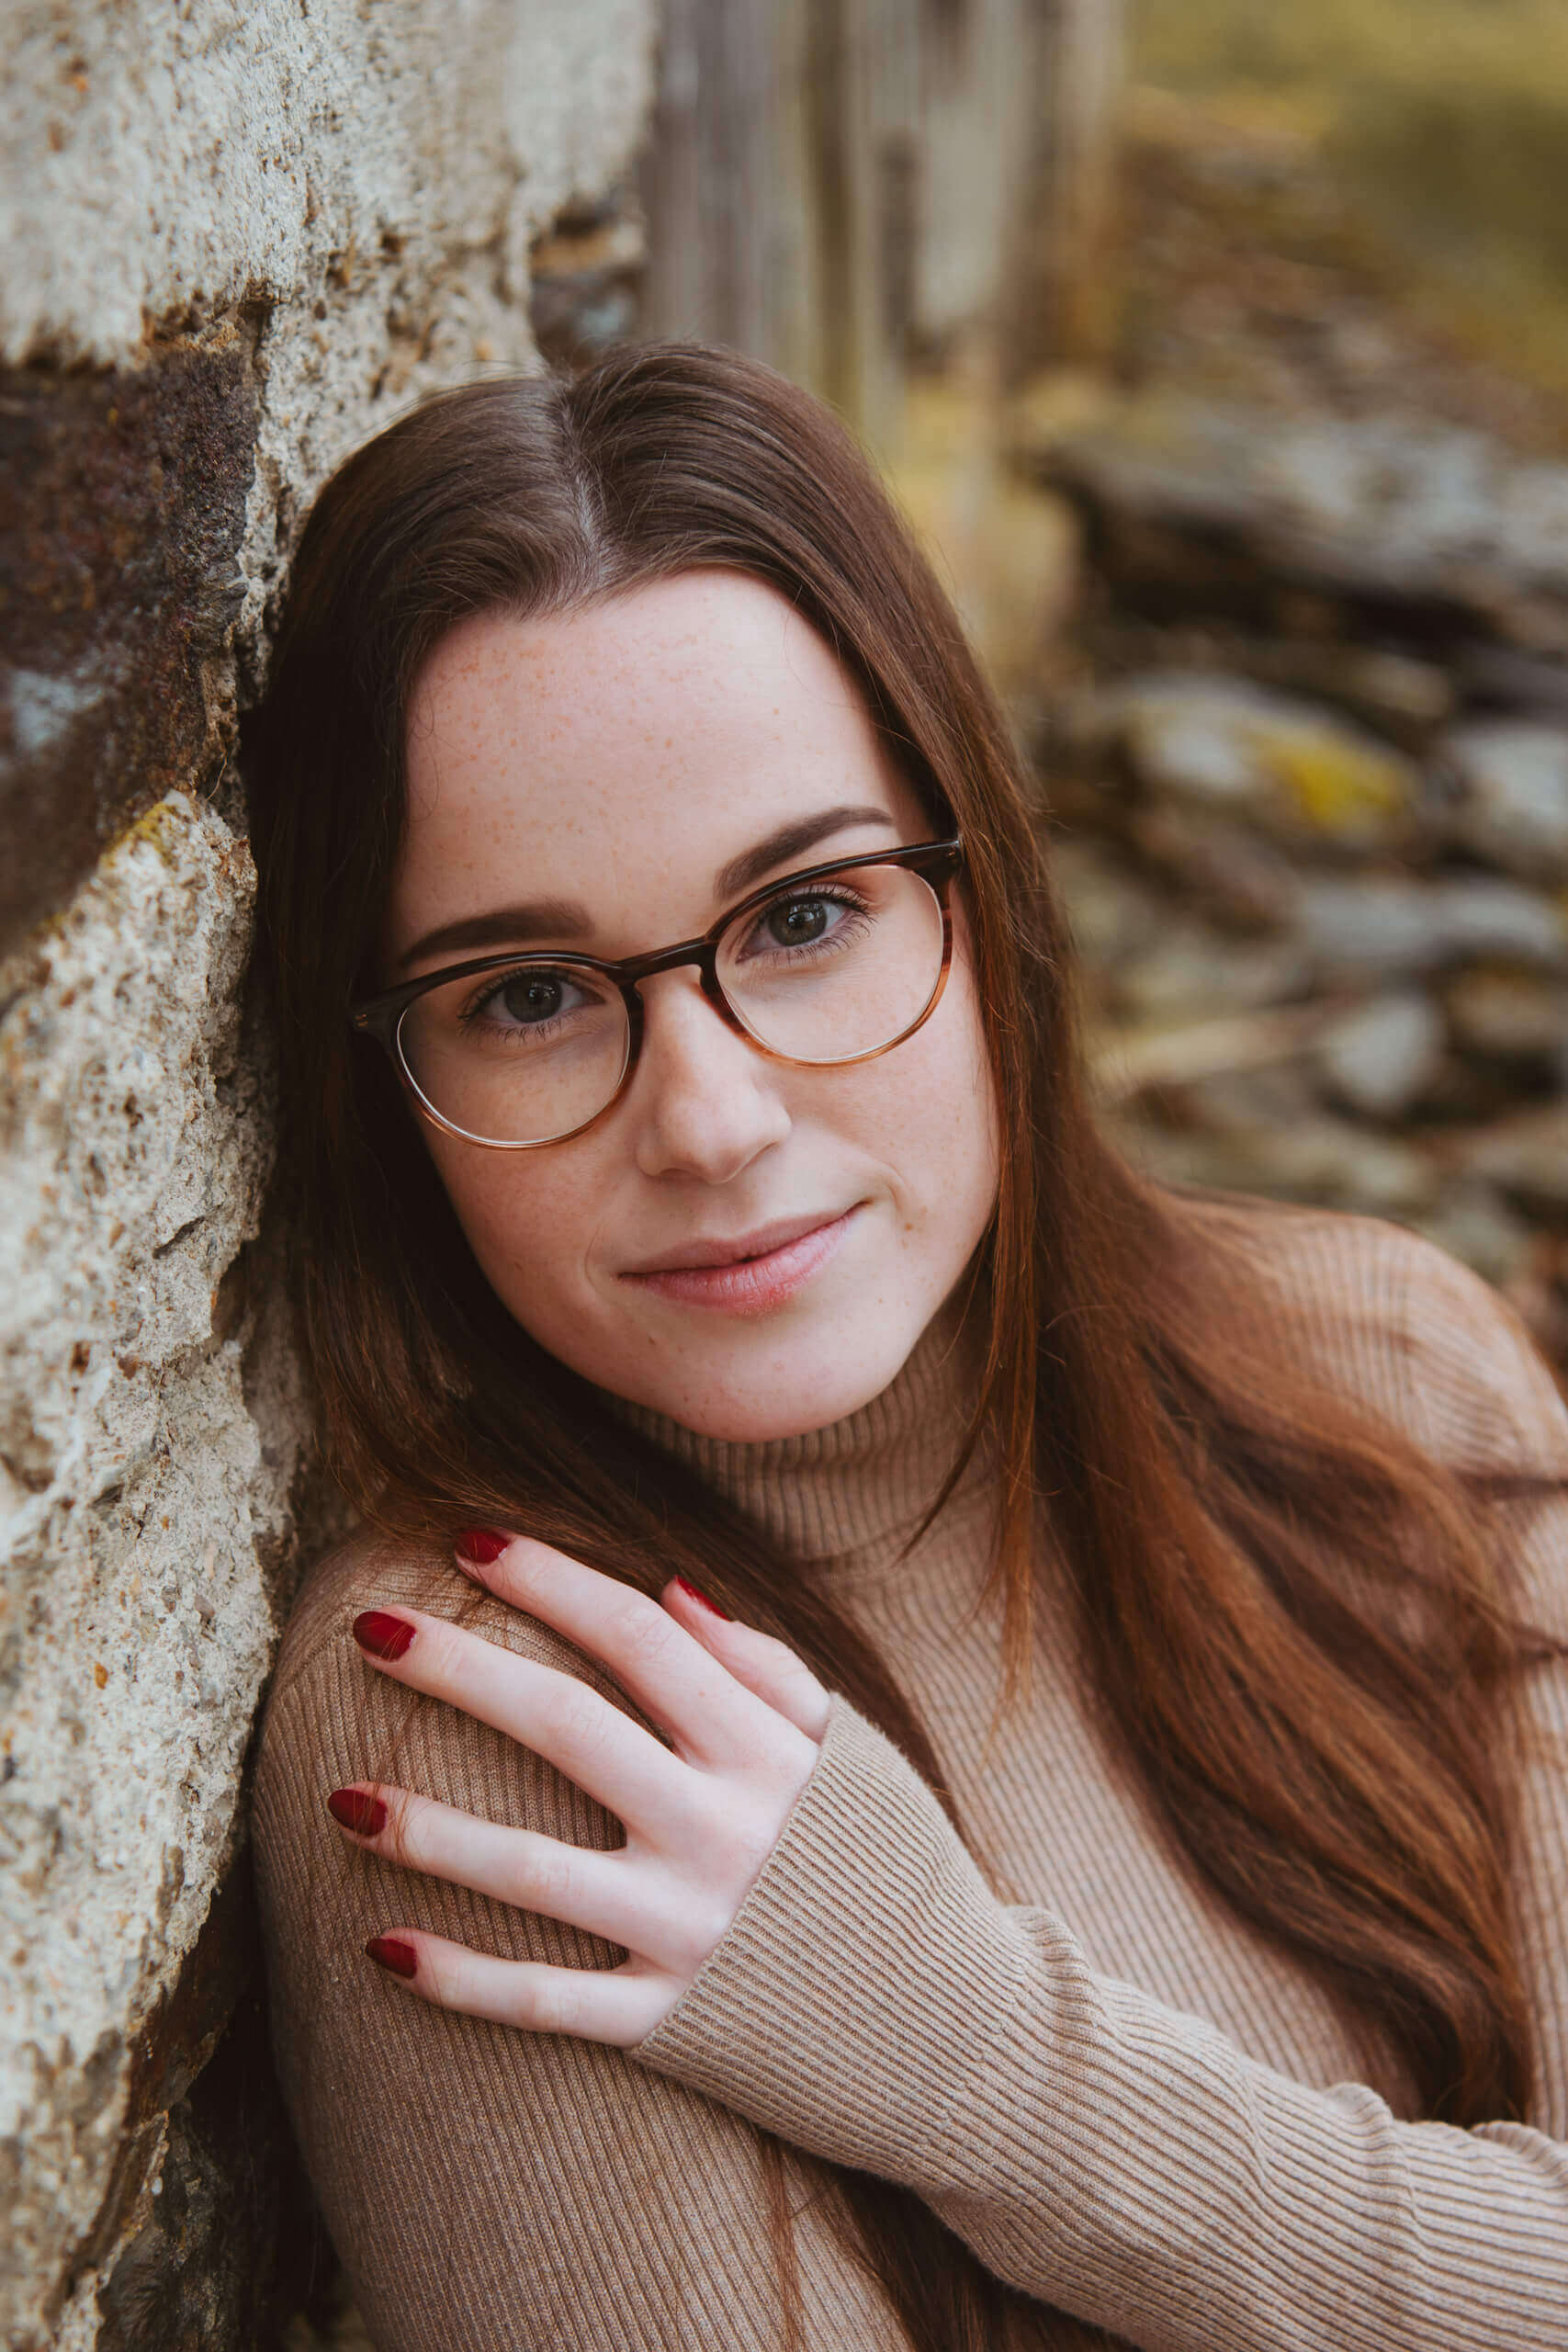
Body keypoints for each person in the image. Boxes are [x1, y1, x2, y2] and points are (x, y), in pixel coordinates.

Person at [246, 343, 1568, 2352]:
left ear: (981, 896)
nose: (708, 1116)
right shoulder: (514, 1723)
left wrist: (970, 2053)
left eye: (799, 915)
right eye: (524, 990)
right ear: (385, 1088)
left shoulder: (1391, 1379)